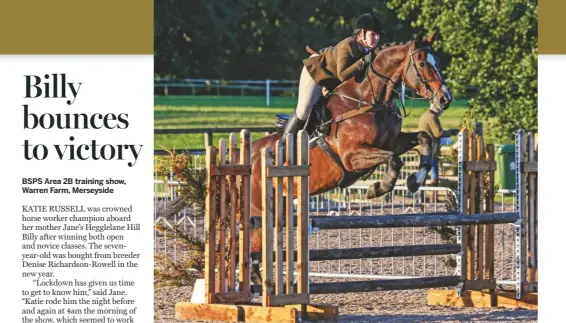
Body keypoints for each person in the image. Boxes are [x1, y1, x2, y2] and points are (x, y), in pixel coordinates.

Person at [282, 13, 386, 140]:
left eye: (378, 35)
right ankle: (284, 143)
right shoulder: (347, 46)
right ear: (362, 33)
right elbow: (342, 75)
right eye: (373, 35)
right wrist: (363, 61)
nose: (376, 38)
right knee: (304, 110)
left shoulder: (368, 50)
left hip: (333, 79)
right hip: (317, 71)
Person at [418, 104, 459, 186]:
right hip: (431, 147)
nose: (441, 113)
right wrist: (451, 132)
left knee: (424, 170)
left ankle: (422, 194)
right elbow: (438, 133)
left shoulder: (426, 115)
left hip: (424, 146)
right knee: (433, 168)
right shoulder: (432, 117)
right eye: (441, 110)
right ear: (437, 109)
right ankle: (434, 191)